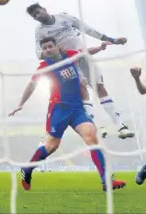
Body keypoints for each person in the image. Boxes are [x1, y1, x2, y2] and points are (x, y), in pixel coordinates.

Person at [9, 36, 126, 192]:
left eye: (50, 46)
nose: (48, 50)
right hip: (58, 109)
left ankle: (106, 181)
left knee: (92, 139)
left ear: (57, 47)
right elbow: (32, 84)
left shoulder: (70, 55)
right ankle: (27, 170)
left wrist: (100, 47)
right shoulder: (45, 66)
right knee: (51, 146)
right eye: (44, 48)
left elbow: (85, 52)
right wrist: (20, 104)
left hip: (77, 108)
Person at [27, 3, 134, 139]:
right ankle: (97, 126)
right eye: (34, 16)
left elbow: (87, 29)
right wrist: (52, 51)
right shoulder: (40, 31)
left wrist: (112, 40)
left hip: (84, 56)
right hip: (69, 63)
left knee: (100, 88)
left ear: (44, 9)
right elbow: (38, 53)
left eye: (38, 12)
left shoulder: (63, 17)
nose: (37, 16)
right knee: (83, 91)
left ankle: (121, 126)